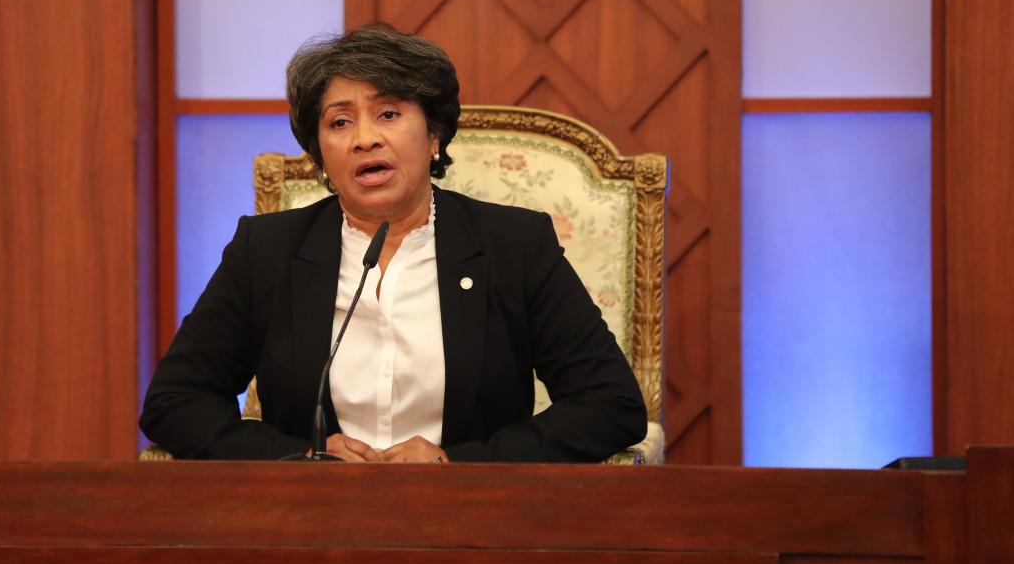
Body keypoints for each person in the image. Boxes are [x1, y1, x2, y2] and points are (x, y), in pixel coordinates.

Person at [140, 24, 646, 462]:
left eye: (388, 114)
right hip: (311, 519)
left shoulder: (514, 246)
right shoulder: (267, 251)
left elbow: (611, 404)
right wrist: (300, 460)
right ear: (321, 156)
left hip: (472, 518)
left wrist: (459, 464)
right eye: (340, 122)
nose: (365, 138)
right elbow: (174, 401)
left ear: (434, 136)